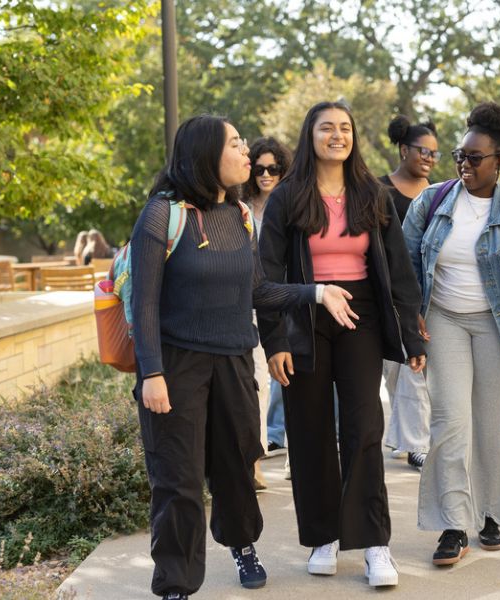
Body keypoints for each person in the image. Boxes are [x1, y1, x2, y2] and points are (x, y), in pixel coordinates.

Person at [129, 114, 358, 598]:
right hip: (176, 366)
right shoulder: (162, 215)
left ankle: (241, 544)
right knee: (178, 480)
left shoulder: (240, 216)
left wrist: (315, 293)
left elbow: (259, 290)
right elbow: (144, 302)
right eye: (236, 145)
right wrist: (151, 372)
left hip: (233, 361)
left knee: (236, 464)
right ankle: (175, 583)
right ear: (206, 155)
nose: (246, 155)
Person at [257, 101, 426, 588]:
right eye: (327, 127)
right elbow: (267, 276)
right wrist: (274, 341)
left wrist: (412, 333)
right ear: (310, 136)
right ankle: (323, 535)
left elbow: (398, 271)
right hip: (305, 317)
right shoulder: (289, 196)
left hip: (361, 316)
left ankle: (375, 543)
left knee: (365, 426)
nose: (337, 135)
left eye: (345, 128)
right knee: (309, 431)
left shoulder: (373, 193)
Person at [402, 102, 500, 566]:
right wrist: (411, 318)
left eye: (476, 158)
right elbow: (407, 265)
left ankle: (490, 514)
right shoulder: (430, 202)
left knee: (491, 426)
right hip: (445, 320)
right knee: (450, 420)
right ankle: (453, 524)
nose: (464, 164)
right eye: (461, 155)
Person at [379, 114, 440, 469]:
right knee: (395, 370)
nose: (429, 158)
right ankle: (406, 435)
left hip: (429, 292)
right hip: (388, 293)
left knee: (418, 369)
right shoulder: (379, 190)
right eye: (422, 150)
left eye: (435, 153)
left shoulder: (440, 193)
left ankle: (416, 441)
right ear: (403, 150)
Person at [243, 137, 293, 488]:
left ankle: (298, 458)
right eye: (258, 168)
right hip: (250, 305)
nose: (265, 174)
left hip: (286, 301)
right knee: (259, 384)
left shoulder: (290, 206)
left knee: (294, 381)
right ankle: (255, 462)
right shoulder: (240, 207)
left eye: (273, 168)